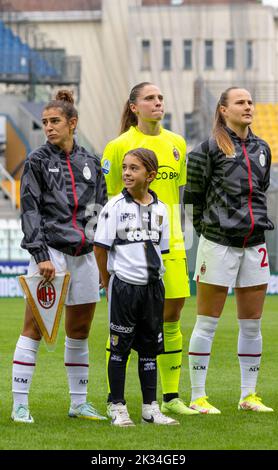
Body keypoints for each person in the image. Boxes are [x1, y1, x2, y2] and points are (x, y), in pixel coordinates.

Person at [101, 82, 198, 416]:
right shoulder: (118, 146)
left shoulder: (177, 143)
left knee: (170, 318)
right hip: (128, 254)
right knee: (122, 325)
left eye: (160, 97)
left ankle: (170, 397)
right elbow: (112, 198)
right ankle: (116, 398)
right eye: (150, 98)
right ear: (133, 107)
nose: (158, 102)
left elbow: (175, 195)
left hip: (170, 244)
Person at [12, 89, 108, 423]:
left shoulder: (92, 163)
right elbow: (30, 211)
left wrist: (100, 254)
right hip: (50, 254)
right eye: (45, 122)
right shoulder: (36, 161)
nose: (49, 127)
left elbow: (100, 213)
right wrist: (40, 254)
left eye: (55, 121)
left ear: (72, 123)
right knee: (34, 327)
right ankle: (20, 404)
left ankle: (78, 403)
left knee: (79, 330)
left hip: (84, 256)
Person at [184, 87, 274, 414]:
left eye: (250, 102)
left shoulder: (263, 148)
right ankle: (197, 396)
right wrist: (208, 231)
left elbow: (259, 193)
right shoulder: (207, 149)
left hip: (255, 244)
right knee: (207, 322)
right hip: (218, 244)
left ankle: (248, 396)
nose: (248, 106)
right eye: (241, 102)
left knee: (252, 324)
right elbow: (193, 198)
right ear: (223, 110)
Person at [94, 147, 179, 426]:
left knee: (149, 350)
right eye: (125, 168)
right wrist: (108, 285)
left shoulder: (162, 210)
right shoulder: (114, 207)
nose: (127, 173)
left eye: (134, 169)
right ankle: (116, 405)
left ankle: (150, 407)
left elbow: (160, 250)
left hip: (153, 288)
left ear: (150, 175)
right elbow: (100, 248)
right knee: (119, 348)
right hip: (124, 288)